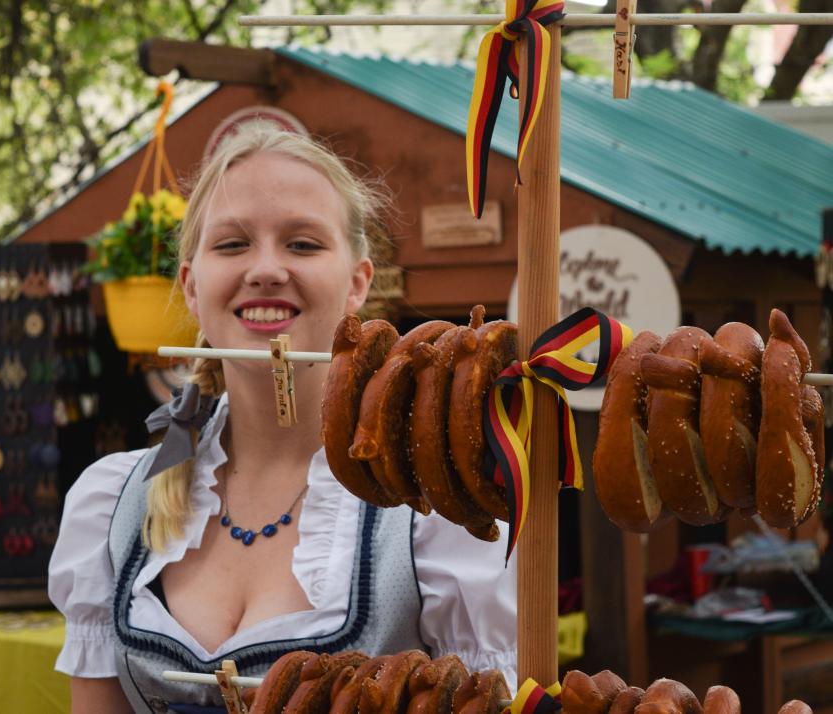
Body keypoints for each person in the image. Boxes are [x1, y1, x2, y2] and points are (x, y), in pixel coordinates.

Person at [49, 124, 517, 714]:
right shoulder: (113, 503)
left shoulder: (435, 511)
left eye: (302, 244)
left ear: (356, 283)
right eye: (232, 245)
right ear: (192, 287)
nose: (266, 269)